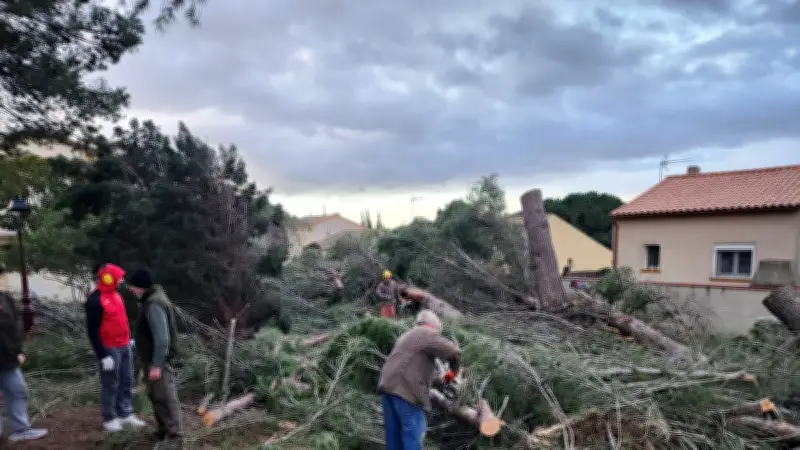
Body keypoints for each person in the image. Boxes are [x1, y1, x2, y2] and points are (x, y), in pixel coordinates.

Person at [378, 310, 461, 450]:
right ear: (434, 325)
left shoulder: (407, 336)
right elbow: (454, 353)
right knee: (415, 429)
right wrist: (450, 377)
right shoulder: (427, 333)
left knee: (394, 436)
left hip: (387, 386)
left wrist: (438, 380)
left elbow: (412, 368)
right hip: (404, 389)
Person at [85, 263, 146, 432]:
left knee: (127, 380)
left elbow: (122, 321)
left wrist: (130, 339)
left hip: (124, 345)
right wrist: (103, 355)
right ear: (107, 278)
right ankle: (109, 417)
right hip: (109, 348)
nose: (121, 281)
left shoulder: (117, 296)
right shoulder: (95, 300)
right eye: (118, 277)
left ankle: (125, 413)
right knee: (111, 383)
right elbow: (92, 330)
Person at [126, 268, 182, 444]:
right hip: (152, 359)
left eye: (133, 287)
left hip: (158, 360)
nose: (131, 290)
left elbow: (162, 338)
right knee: (156, 396)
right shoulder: (152, 299)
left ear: (140, 287)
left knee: (165, 396)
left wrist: (157, 364)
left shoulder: (154, 304)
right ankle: (163, 430)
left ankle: (175, 437)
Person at [0, 293, 48, 442]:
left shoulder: (5, 299)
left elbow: (14, 329)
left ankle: (21, 430)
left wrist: (18, 350)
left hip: (8, 359)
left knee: (18, 391)